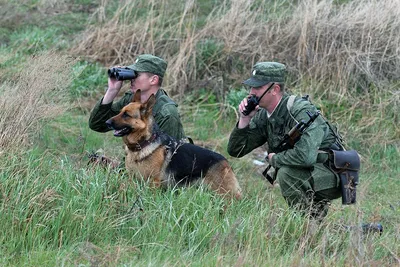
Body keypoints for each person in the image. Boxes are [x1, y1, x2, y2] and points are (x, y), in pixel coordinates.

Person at [227, 61, 343, 220]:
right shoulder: (263, 115)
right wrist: (244, 120)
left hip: (335, 172)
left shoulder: (300, 111)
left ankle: (307, 226)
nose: (251, 92)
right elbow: (236, 150)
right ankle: (317, 227)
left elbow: (306, 156)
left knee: (286, 173)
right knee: (289, 173)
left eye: (258, 87)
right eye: (251, 87)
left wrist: (275, 159)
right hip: (311, 171)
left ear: (274, 89)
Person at [89, 54, 185, 140]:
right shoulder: (131, 100)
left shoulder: (167, 113)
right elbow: (98, 125)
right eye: (131, 73)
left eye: (136, 74)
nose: (131, 78)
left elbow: (170, 153)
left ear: (153, 80)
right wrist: (112, 90)